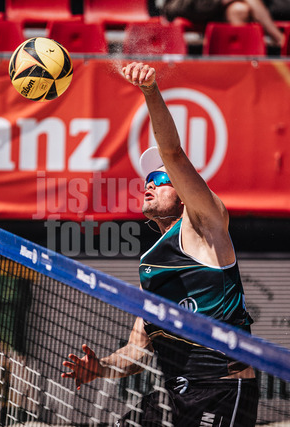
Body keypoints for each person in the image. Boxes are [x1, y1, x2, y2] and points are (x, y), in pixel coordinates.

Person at [62, 62, 258, 426]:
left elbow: (173, 154)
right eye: (147, 180)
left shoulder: (206, 226)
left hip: (222, 389)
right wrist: (101, 367)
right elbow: (136, 352)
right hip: (173, 396)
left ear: (184, 196)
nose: (149, 184)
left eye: (161, 179)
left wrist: (150, 91)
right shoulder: (150, 267)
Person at [161, 0, 285, 46]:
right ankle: (280, 40)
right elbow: (174, 8)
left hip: (217, 12)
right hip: (190, 10)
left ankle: (243, 62)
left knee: (239, 10)